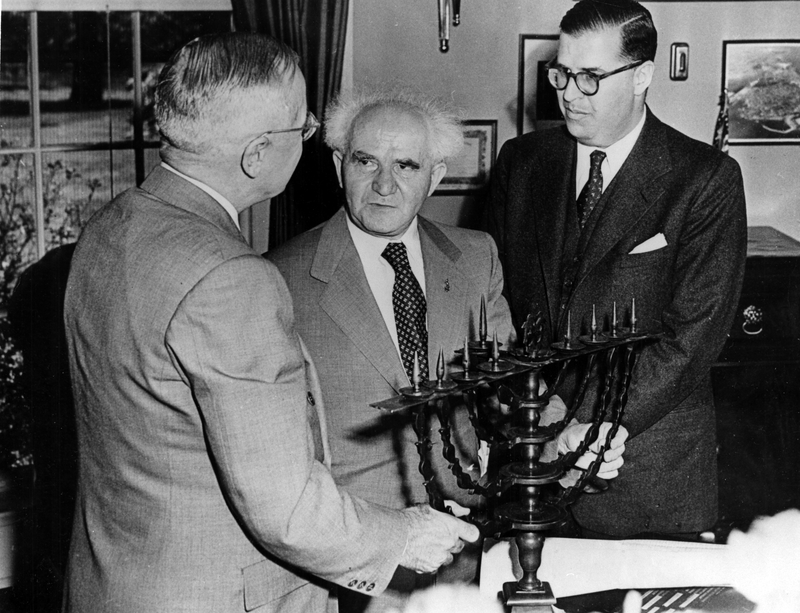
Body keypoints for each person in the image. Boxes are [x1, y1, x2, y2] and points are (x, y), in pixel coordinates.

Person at [62, 33, 479, 613]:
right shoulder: (234, 279)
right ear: (257, 152)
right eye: (303, 129)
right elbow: (284, 508)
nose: (310, 140)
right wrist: (402, 535)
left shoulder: (107, 230)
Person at [267, 90, 628, 612]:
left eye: (406, 165)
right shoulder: (280, 278)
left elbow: (511, 384)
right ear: (337, 164)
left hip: (463, 550)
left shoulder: (475, 256)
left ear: (435, 177)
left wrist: (561, 438)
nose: (384, 184)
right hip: (350, 569)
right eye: (365, 161)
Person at [484, 0, 747, 539]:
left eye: (590, 77)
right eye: (561, 73)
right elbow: (499, 301)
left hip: (645, 477)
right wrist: (540, 414)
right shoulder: (523, 161)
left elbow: (690, 339)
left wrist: (584, 421)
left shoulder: (704, 179)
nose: (567, 94)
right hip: (530, 469)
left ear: (642, 76)